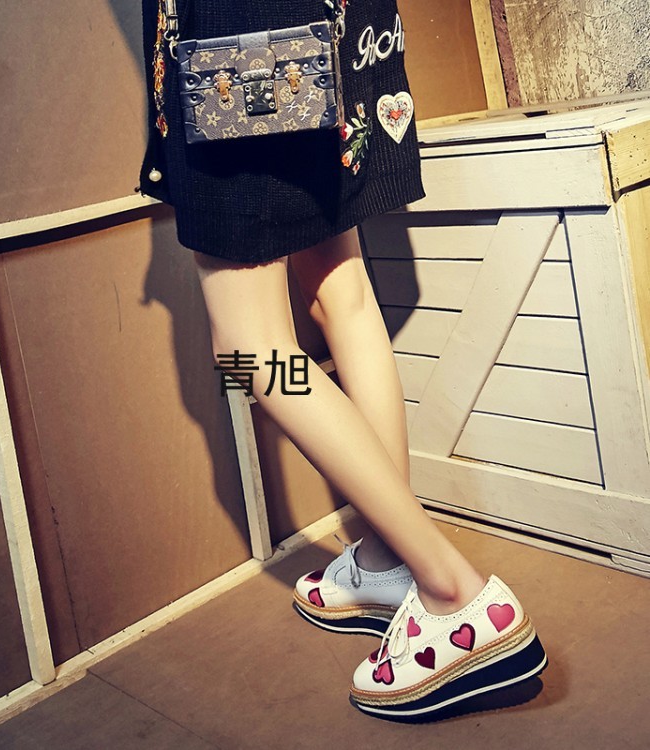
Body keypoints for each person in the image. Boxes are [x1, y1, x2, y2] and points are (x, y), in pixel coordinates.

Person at [137, 0, 548, 719]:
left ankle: (452, 591)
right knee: (340, 293)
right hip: (336, 28)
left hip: (236, 42)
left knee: (246, 349)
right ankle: (389, 560)